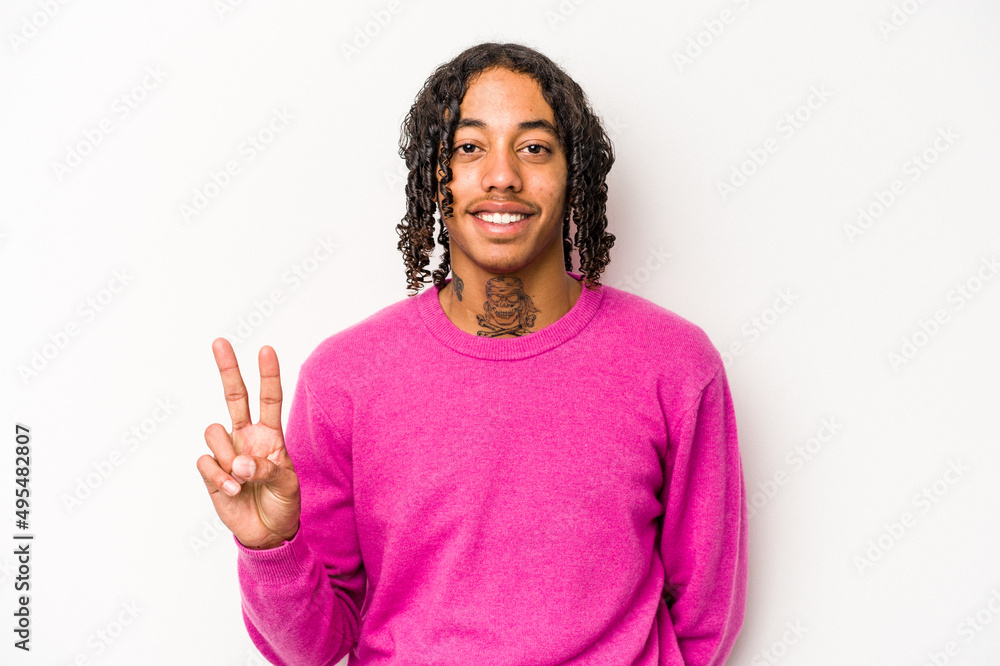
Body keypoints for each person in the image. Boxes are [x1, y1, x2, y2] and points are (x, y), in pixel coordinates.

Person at [197, 42, 748, 666]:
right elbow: (313, 649)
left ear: (575, 174)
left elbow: (705, 617)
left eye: (534, 147)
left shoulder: (674, 364)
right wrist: (271, 548)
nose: (502, 175)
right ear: (433, 178)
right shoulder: (343, 379)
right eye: (468, 147)